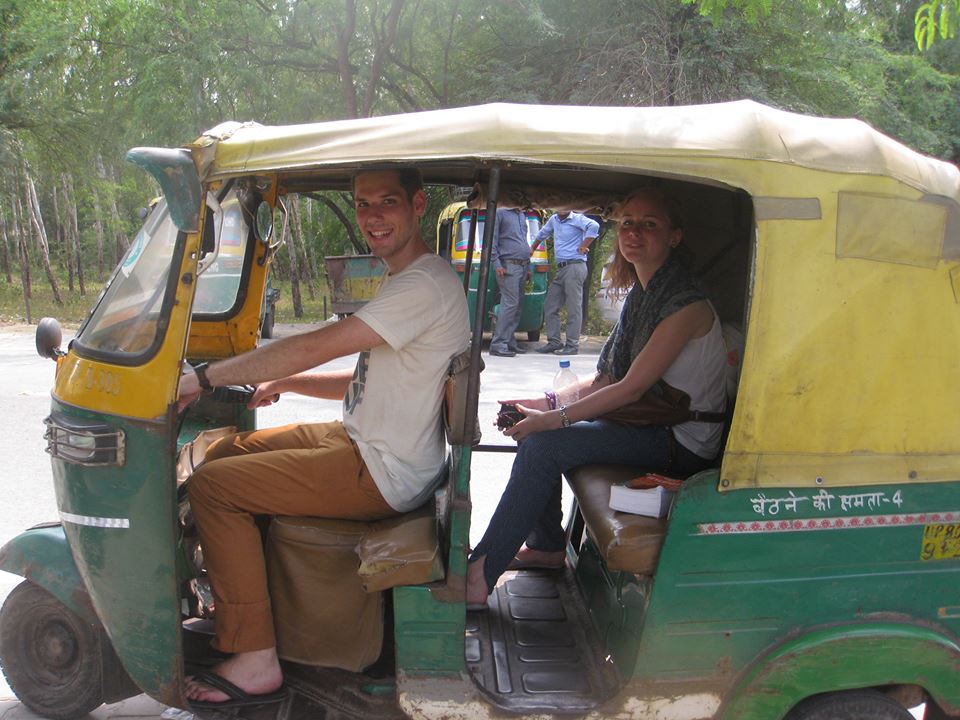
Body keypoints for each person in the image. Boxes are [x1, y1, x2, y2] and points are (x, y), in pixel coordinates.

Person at [177, 168, 469, 707]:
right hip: (363, 444)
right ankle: (241, 597)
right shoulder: (407, 278)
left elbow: (323, 343)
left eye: (387, 202)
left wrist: (206, 376)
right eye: (363, 205)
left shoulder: (423, 285)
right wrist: (286, 381)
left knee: (213, 488)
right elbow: (367, 378)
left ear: (419, 204)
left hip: (380, 471)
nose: (373, 217)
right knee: (221, 451)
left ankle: (256, 656)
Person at [466, 187, 726, 606]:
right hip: (653, 421)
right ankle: (549, 547)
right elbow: (606, 378)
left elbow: (631, 387)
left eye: (650, 224)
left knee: (544, 445)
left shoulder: (684, 303)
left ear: (675, 236)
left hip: (684, 440)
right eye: (627, 223)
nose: (634, 233)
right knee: (536, 435)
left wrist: (553, 419)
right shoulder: (646, 294)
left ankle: (479, 575)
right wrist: (541, 403)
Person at [533, 211, 600, 355]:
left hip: (575, 266)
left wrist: (584, 245)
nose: (562, 208)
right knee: (550, 305)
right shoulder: (554, 219)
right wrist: (532, 248)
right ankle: (554, 342)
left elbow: (594, 226)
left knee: (573, 307)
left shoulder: (577, 219)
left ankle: (572, 345)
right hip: (561, 268)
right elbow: (542, 234)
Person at [489, 207, 532, 357]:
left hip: (523, 264)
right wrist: (497, 264)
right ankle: (498, 343)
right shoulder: (500, 212)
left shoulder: (521, 214)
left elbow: (524, 240)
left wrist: (529, 265)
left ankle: (509, 341)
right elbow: (491, 239)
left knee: (518, 304)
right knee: (510, 303)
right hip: (508, 265)